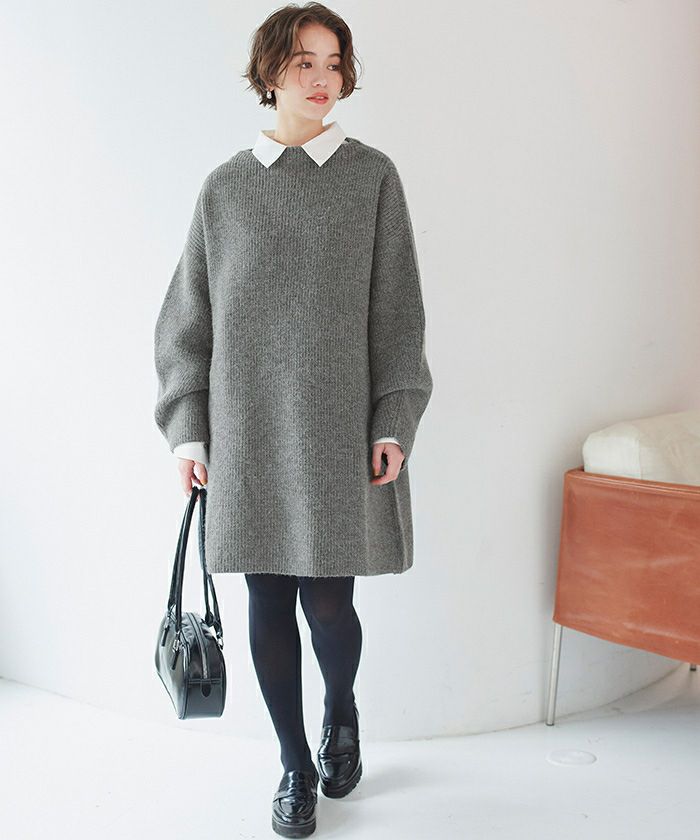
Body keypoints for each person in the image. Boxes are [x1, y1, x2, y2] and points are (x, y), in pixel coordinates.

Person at [153, 3, 433, 836]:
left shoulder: (371, 177)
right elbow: (187, 323)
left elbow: (399, 315)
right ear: (270, 71)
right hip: (247, 436)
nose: (322, 78)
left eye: (334, 62)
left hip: (339, 431)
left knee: (331, 608)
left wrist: (393, 420)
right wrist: (189, 429)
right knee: (267, 604)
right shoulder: (226, 188)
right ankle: (293, 765)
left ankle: (340, 712)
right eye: (304, 61)